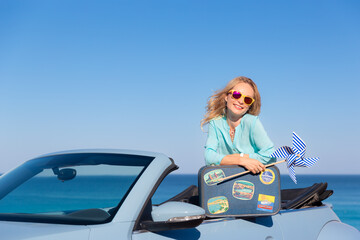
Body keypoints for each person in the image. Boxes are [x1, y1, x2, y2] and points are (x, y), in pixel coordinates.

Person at [201, 76, 275, 174]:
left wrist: (229, 159)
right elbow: (209, 157)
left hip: (254, 181)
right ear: (226, 96)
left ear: (250, 106)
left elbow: (271, 155)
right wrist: (241, 160)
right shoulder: (215, 122)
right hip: (229, 181)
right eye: (236, 95)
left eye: (247, 100)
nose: (240, 101)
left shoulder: (252, 122)